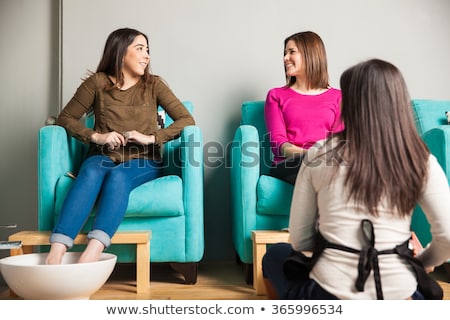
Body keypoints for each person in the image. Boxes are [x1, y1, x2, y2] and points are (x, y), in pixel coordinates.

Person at [262, 58, 450, 299]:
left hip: (330, 294)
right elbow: (446, 236)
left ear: (350, 104)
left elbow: (300, 240)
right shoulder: (420, 159)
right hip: (398, 295)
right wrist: (420, 261)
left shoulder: (319, 153)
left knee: (276, 254)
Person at [45, 28, 194, 265]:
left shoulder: (154, 85)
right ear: (120, 52)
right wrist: (97, 137)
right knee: (92, 170)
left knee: (119, 176)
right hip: (103, 155)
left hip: (144, 159)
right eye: (140, 49)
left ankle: (91, 255)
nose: (146, 56)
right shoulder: (97, 83)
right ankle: (55, 253)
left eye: (148, 50)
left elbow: (187, 120)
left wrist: (151, 138)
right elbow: (66, 118)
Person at [264, 31, 344, 184]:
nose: (285, 58)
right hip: (290, 164)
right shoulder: (276, 95)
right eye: (284, 53)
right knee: (321, 167)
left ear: (310, 55)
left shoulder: (339, 97)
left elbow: (339, 143)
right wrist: (311, 155)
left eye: (291, 52)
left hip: (327, 163)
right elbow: (278, 144)